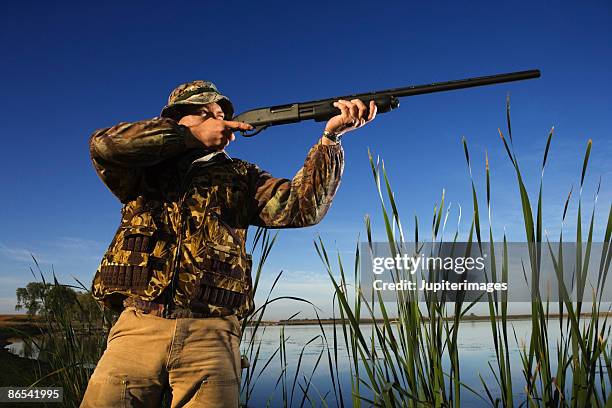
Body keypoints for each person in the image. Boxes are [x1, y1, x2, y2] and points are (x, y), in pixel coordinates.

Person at [81, 80, 377, 407]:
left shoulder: (242, 177)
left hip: (213, 337)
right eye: (203, 113)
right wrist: (188, 138)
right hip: (137, 329)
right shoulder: (142, 170)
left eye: (220, 113)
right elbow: (103, 146)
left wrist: (330, 139)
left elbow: (302, 208)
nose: (217, 119)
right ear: (174, 120)